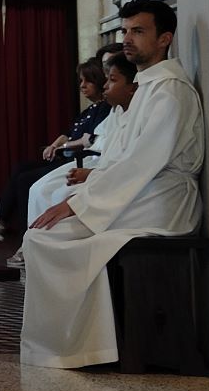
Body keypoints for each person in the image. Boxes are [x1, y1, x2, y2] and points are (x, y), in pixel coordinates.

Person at [21, 0, 204, 368]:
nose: (127, 39)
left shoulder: (169, 91)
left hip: (166, 200)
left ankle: (85, 348)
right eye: (125, 31)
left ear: (165, 38)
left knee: (45, 238)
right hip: (143, 191)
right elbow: (121, 158)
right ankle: (84, 345)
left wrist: (77, 204)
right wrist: (83, 194)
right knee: (42, 235)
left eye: (138, 31)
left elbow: (141, 163)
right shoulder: (148, 87)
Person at [14, 54, 137, 261]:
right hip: (95, 166)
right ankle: (31, 245)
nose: (106, 86)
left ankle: (48, 252)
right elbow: (88, 138)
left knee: (52, 195)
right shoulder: (113, 111)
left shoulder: (119, 109)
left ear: (134, 86)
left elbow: (110, 151)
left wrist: (90, 174)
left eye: (111, 79)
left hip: (103, 172)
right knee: (37, 188)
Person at [0, 58, 112, 238]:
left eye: (88, 81)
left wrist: (63, 146)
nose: (83, 86)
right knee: (20, 167)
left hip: (78, 159)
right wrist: (54, 145)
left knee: (26, 180)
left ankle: (28, 234)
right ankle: (0, 219)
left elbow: (88, 140)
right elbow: (69, 134)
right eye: (80, 81)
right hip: (65, 155)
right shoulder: (88, 111)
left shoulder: (104, 109)